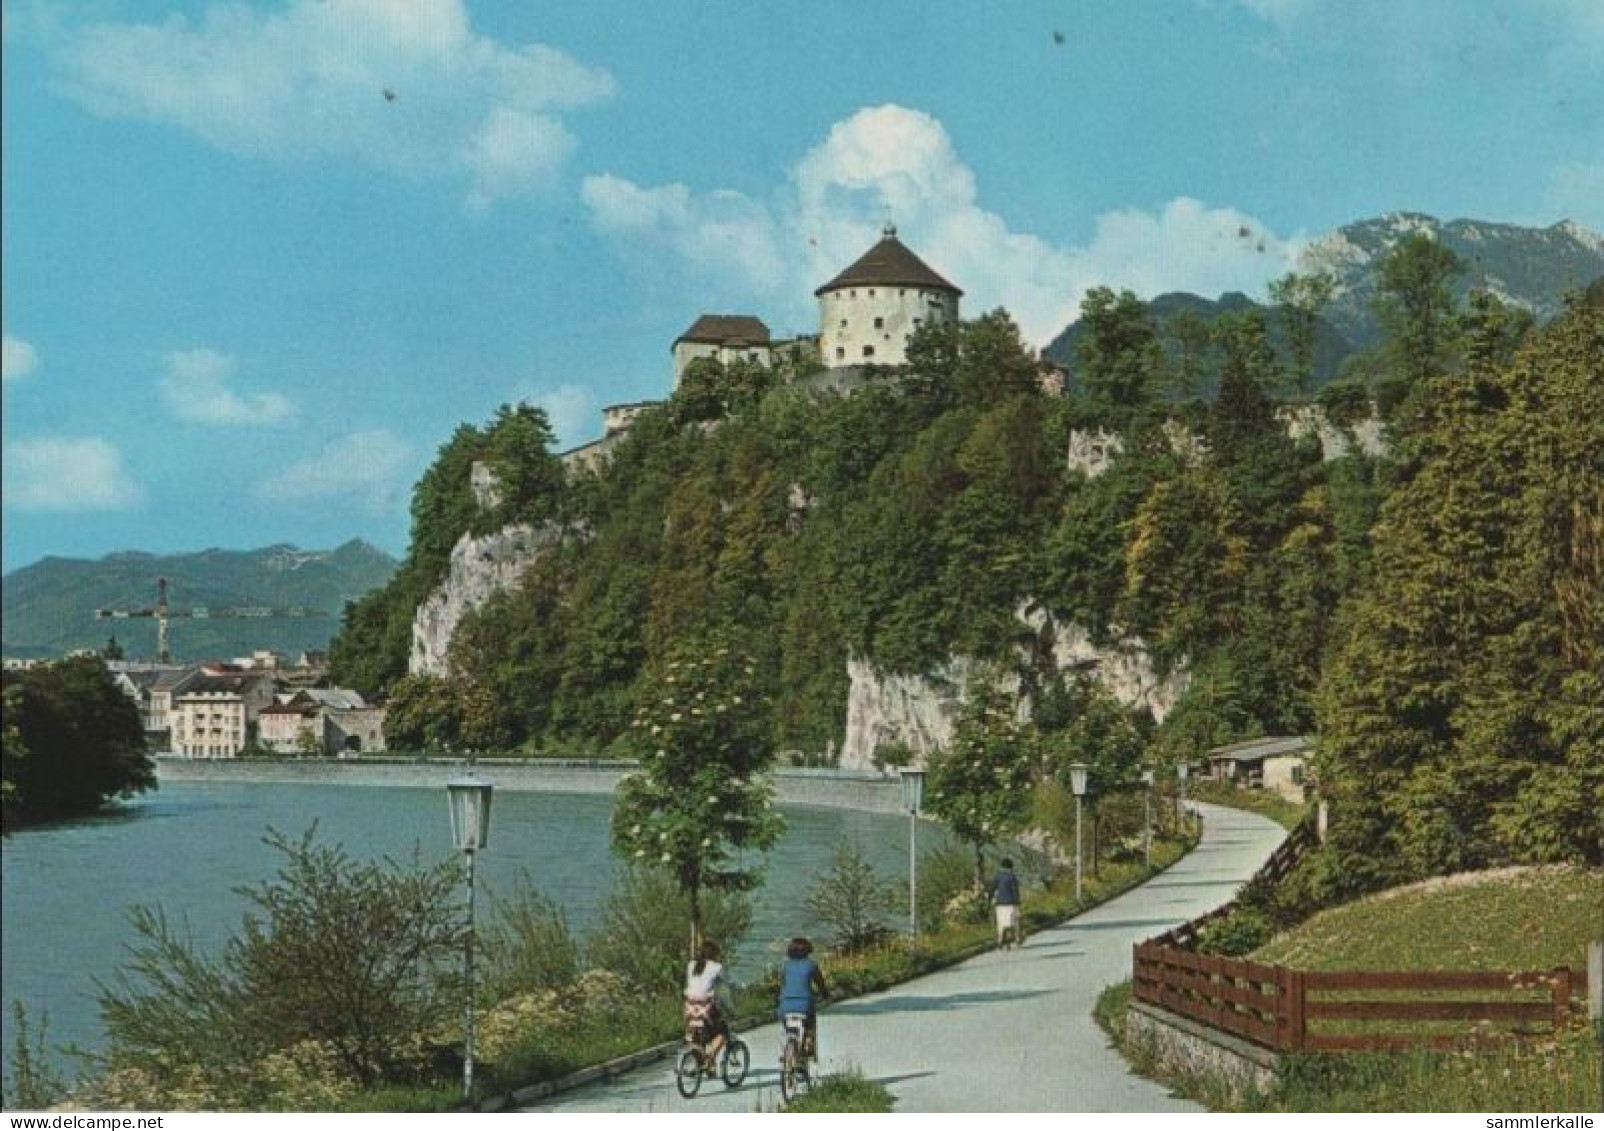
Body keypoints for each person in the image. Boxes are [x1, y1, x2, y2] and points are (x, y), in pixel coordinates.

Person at [684, 940, 734, 1071]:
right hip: (706, 1007)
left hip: (689, 1007)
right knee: (722, 1032)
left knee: (697, 1034)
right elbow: (728, 983)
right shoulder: (717, 967)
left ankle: (698, 1062)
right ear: (715, 954)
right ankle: (709, 1058)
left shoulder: (691, 965)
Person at [777, 936, 828, 1061]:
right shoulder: (811, 965)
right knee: (809, 1024)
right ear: (808, 950)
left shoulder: (785, 966)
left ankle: (789, 1049)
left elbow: (784, 984)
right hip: (805, 1003)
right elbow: (820, 984)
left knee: (788, 1027)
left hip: (785, 1004)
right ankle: (808, 1044)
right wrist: (826, 995)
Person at [991, 857, 1022, 949]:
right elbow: (1015, 891)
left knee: (1001, 922)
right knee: (1012, 922)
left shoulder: (997, 876)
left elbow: (992, 888)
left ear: (1002, 866)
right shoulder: (1012, 877)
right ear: (1011, 867)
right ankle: (1011, 938)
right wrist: (1018, 902)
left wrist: (990, 898)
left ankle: (1000, 939)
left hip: (1000, 903)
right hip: (1011, 902)